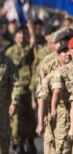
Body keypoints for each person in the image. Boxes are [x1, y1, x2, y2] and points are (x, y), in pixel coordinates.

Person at [49, 36, 73, 154]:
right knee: (64, 148)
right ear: (70, 51)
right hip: (65, 117)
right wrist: (53, 109)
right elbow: (57, 91)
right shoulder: (62, 72)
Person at [5, 24, 36, 153]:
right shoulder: (11, 52)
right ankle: (18, 143)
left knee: (29, 119)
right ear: (15, 36)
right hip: (17, 90)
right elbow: (16, 64)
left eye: (24, 34)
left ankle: (29, 141)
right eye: (19, 34)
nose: (22, 36)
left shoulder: (30, 50)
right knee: (17, 121)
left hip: (29, 90)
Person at [0, 50, 20, 154]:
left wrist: (14, 102)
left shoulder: (7, 62)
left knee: (4, 139)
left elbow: (15, 83)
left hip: (3, 108)